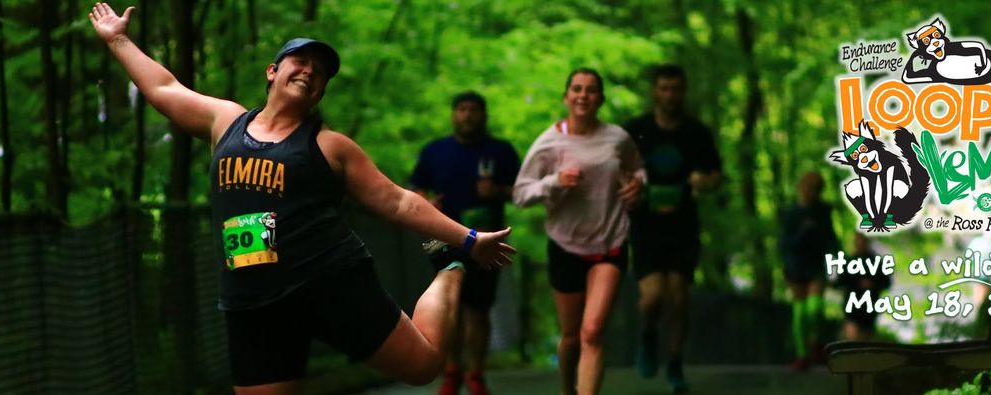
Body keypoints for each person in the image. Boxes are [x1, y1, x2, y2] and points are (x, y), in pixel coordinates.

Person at [89, 4, 515, 394]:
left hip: (329, 282)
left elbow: (398, 202)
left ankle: (448, 269)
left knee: (422, 367)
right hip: (252, 297)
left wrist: (468, 239)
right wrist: (117, 40)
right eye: (301, 62)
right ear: (272, 71)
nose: (310, 71)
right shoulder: (225, 122)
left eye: (320, 72)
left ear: (321, 93)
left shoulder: (331, 146)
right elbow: (164, 88)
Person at [514, 68, 645, 395]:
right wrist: (555, 181)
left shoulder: (618, 137)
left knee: (593, 332)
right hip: (566, 246)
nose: (583, 95)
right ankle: (566, 389)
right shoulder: (549, 142)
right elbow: (520, 194)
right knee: (571, 336)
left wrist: (638, 184)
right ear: (566, 97)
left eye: (590, 90)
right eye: (577, 89)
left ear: (599, 98)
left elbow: (638, 168)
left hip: (610, 243)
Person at [409, 91, 520, 395]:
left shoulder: (502, 151)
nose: (467, 115)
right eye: (462, 109)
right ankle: (452, 369)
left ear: (484, 115)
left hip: (487, 239)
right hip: (441, 238)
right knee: (450, 305)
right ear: (453, 114)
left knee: (479, 309)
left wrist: (497, 191)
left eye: (474, 110)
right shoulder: (435, 151)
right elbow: (412, 191)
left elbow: (520, 192)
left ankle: (476, 374)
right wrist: (427, 203)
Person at [622, 64, 721, 393]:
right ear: (655, 91)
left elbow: (716, 176)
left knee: (679, 296)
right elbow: (613, 170)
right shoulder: (636, 130)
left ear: (684, 91)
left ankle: (676, 362)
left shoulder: (697, 133)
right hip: (646, 225)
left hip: (683, 226)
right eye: (664, 88)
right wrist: (629, 187)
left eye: (676, 89)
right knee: (652, 298)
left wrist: (703, 181)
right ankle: (649, 334)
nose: (670, 95)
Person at [778, 172, 839, 372]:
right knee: (799, 311)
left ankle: (815, 342)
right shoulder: (790, 213)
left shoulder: (823, 211)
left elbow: (831, 237)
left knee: (815, 308)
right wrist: (804, 232)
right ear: (801, 188)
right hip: (795, 265)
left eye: (817, 189)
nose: (812, 192)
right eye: (810, 187)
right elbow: (785, 245)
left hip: (816, 265)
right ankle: (802, 355)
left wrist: (838, 260)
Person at [835, 233, 891, 342]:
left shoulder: (875, 262)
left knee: (866, 338)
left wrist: (872, 284)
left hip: (869, 308)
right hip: (852, 307)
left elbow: (886, 282)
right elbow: (840, 282)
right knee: (853, 338)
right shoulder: (849, 262)